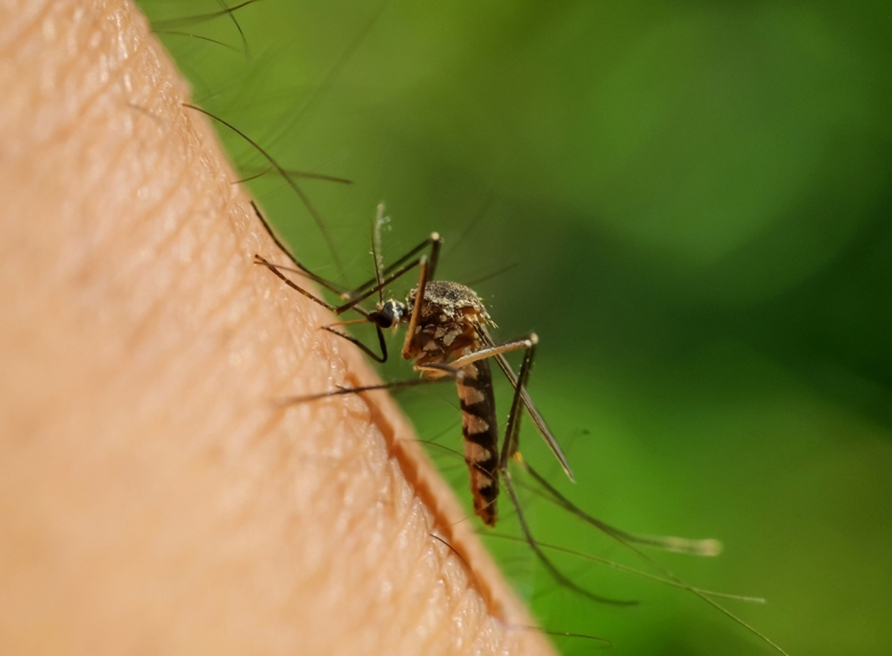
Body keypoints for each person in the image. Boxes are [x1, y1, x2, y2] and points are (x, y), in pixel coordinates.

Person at [0, 1, 554, 653]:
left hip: (478, 389)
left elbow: (471, 341)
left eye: (386, 311)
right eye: (389, 311)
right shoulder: (414, 308)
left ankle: (507, 467)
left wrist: (360, 385)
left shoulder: (435, 320)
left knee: (499, 347)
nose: (383, 320)